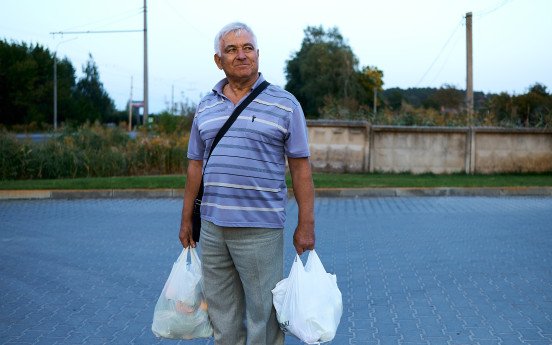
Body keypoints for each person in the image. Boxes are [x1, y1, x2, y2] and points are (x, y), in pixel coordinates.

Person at [178, 22, 315, 345]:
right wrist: (186, 218)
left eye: (248, 48)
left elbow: (301, 168)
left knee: (263, 317)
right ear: (218, 60)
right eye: (231, 49)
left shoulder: (285, 104)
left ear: (258, 55)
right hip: (212, 229)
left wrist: (306, 224)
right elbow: (195, 165)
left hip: (260, 229)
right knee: (222, 316)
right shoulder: (206, 106)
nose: (241, 55)